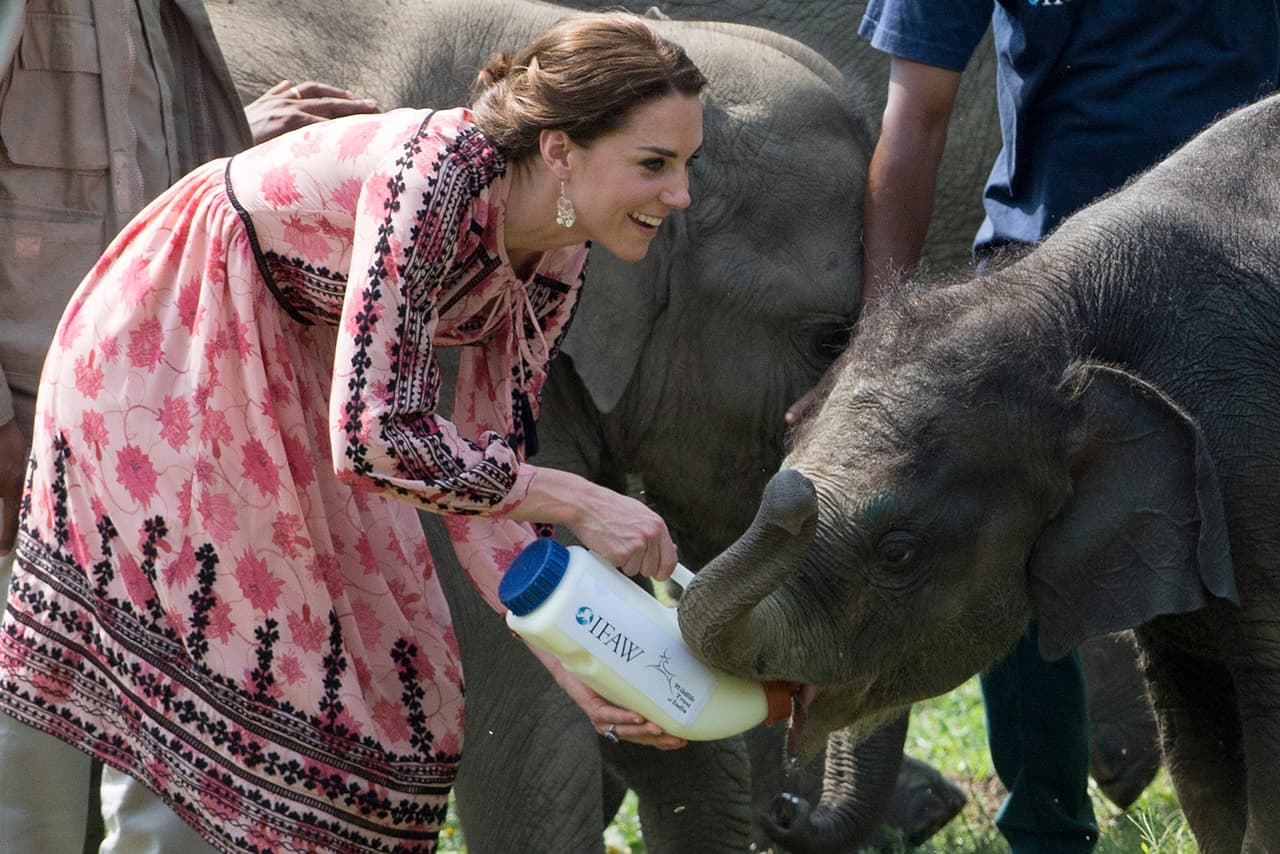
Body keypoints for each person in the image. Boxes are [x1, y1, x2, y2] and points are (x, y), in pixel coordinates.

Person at [0, 8, 705, 852]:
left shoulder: (558, 250)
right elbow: (376, 437)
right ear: (560, 149)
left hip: (289, 372)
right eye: (654, 164)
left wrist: (577, 668)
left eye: (684, 165)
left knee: (397, 685)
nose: (680, 195)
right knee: (242, 675)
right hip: (173, 342)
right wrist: (580, 499)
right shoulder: (438, 176)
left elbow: (485, 477)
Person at [783, 3, 1280, 853]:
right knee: (1006, 553)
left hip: (1244, 282)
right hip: (1040, 288)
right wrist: (878, 350)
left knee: (1245, 623)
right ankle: (1045, 829)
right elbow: (917, 113)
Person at [0, 3, 380, 851]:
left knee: (178, 770)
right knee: (25, 781)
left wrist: (231, 153)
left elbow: (118, 175)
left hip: (152, 427)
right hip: (29, 434)